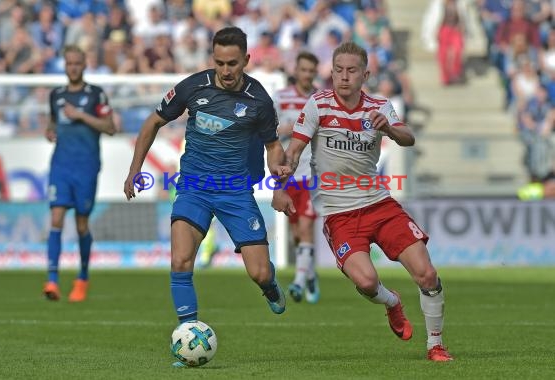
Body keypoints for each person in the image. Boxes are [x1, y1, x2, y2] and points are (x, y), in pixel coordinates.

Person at [272, 41, 454, 361]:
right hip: (339, 214)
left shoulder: (380, 106)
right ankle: (391, 303)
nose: (343, 77)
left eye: (351, 70)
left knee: (426, 273)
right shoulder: (318, 104)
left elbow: (408, 137)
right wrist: (280, 187)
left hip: (379, 204)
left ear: (365, 74)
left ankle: (436, 345)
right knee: (368, 282)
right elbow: (294, 150)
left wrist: (392, 131)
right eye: (338, 70)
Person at [123, 26, 287, 366]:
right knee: (181, 261)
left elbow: (273, 146)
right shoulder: (192, 87)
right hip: (194, 187)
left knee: (258, 272)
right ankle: (188, 337)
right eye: (219, 62)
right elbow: (152, 122)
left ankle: (270, 286)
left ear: (246, 59)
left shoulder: (259, 100)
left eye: (233, 63)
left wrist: (279, 186)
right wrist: (134, 169)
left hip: (236, 192)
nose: (225, 71)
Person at [43, 45, 116, 302]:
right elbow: (53, 121)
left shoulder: (96, 95)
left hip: (86, 166)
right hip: (60, 165)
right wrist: (50, 131)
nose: (73, 67)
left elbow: (110, 127)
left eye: (77, 63)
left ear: (84, 65)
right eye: (69, 63)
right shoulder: (56, 95)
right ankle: (52, 280)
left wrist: (82, 116)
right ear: (65, 65)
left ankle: (82, 278)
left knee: (82, 224)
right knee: (56, 217)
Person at [274, 51, 321, 304]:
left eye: (311, 71)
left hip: (312, 175)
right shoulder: (281, 98)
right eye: (303, 70)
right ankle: (310, 274)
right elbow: (268, 129)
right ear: (296, 71)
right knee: (295, 234)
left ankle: (298, 282)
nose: (307, 75)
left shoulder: (322, 98)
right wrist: (292, 128)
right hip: (287, 174)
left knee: (306, 228)